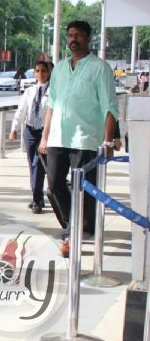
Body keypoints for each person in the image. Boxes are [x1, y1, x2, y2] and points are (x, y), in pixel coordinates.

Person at [39, 20, 118, 257]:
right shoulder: (60, 68)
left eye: (78, 36)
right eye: (70, 35)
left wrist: (108, 141)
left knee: (81, 190)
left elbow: (110, 107)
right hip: (57, 138)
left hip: (85, 138)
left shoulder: (100, 68)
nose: (73, 39)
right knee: (54, 185)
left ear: (88, 39)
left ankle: (71, 234)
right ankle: (75, 224)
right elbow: (52, 104)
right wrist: (44, 137)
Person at [9, 60, 51, 213]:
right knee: (32, 165)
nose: (41, 74)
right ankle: (37, 197)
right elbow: (21, 111)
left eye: (44, 71)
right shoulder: (29, 91)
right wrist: (14, 128)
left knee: (38, 165)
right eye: (38, 71)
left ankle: (37, 200)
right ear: (34, 73)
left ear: (48, 72)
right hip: (30, 131)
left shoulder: (53, 91)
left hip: (44, 132)